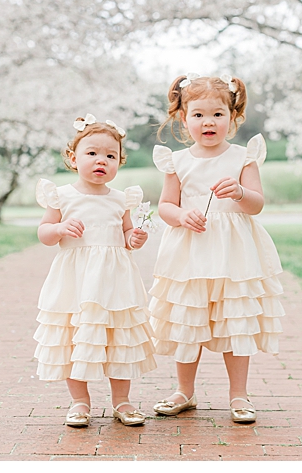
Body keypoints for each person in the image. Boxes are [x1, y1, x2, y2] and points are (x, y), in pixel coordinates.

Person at [149, 74, 278, 424]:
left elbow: (256, 205)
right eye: (199, 114)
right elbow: (164, 205)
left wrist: (239, 192)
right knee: (188, 319)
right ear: (183, 118)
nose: (209, 122)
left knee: (235, 320)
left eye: (218, 114)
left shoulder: (243, 158)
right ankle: (184, 391)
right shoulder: (177, 161)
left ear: (233, 118)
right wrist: (180, 214)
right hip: (190, 250)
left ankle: (239, 394)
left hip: (233, 253)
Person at [34, 115, 156, 427]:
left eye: (110, 155)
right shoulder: (62, 196)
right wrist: (60, 227)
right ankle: (79, 402)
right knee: (75, 339)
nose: (101, 160)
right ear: (73, 159)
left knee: (118, 339)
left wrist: (135, 238)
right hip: (76, 282)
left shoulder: (121, 200)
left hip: (114, 282)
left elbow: (128, 238)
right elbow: (45, 234)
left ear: (119, 162)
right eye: (92, 153)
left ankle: (123, 401)